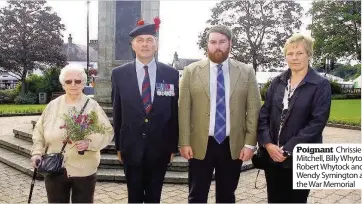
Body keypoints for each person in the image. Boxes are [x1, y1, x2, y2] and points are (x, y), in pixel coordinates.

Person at [178, 25, 261, 203]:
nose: (217, 46)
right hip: (200, 144)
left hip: (233, 146)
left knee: (227, 196)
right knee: (196, 195)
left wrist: (249, 144)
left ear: (230, 43)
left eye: (222, 42)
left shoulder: (246, 72)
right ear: (207, 45)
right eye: (213, 42)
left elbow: (254, 109)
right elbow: (184, 109)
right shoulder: (191, 71)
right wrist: (184, 142)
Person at [257, 33, 332, 203]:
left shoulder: (321, 84)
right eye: (290, 53)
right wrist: (268, 144)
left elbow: (317, 123)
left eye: (299, 53)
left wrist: (288, 148)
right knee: (274, 200)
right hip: (273, 156)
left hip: (303, 157)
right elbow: (264, 114)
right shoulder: (277, 82)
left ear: (309, 55)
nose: (294, 58)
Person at [111, 17, 179, 203]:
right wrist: (118, 145)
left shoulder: (171, 74)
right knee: (134, 196)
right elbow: (117, 112)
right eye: (140, 40)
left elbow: (174, 113)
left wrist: (173, 146)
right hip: (131, 146)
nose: (145, 44)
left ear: (156, 45)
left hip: (160, 146)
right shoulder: (119, 74)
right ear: (133, 45)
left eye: (150, 40)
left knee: (154, 196)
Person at [30, 64, 114, 203]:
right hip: (55, 168)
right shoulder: (53, 106)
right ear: (63, 84)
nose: (73, 84)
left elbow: (107, 132)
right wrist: (37, 153)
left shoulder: (92, 106)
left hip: (84, 168)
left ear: (83, 83)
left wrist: (90, 143)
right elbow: (39, 131)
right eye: (69, 81)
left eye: (78, 81)